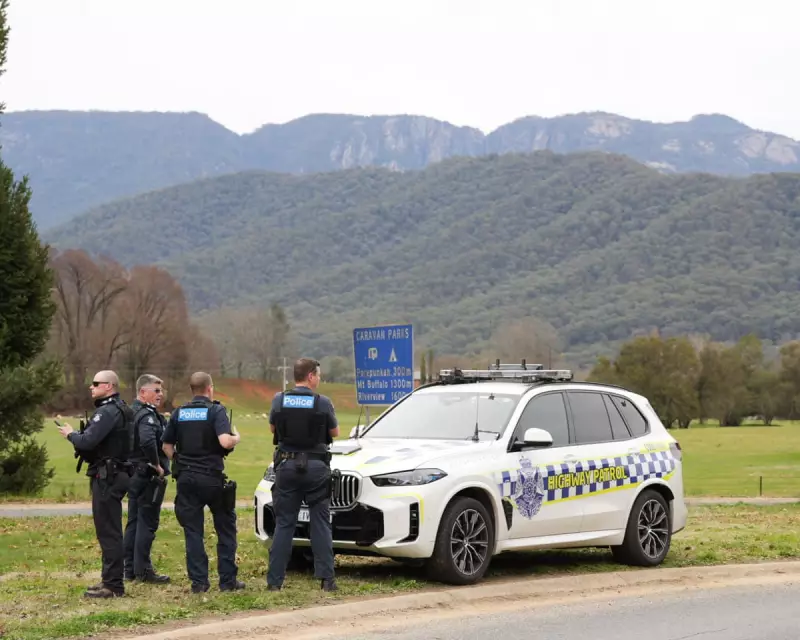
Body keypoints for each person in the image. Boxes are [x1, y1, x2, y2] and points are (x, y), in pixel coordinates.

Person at [162, 371, 244, 594]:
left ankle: (199, 583)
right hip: (211, 478)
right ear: (210, 389)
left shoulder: (179, 413)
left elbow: (166, 446)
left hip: (187, 479)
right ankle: (227, 581)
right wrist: (236, 437)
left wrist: (180, 460)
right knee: (225, 529)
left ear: (192, 389)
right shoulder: (216, 410)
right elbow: (224, 441)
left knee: (193, 531)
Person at [57, 370, 134, 598]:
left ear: (109, 386)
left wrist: (71, 435)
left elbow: (88, 441)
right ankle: (109, 579)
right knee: (110, 530)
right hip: (119, 473)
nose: (91, 387)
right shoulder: (124, 409)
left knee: (108, 531)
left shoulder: (107, 412)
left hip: (108, 476)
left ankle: (113, 586)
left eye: (95, 383)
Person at [266, 357, 339, 592]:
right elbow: (334, 432)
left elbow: (273, 429)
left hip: (287, 466)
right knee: (320, 522)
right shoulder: (323, 402)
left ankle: (274, 582)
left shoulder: (279, 399)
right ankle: (327, 580)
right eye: (317, 375)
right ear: (310, 376)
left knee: (284, 524)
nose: (319, 379)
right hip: (316, 468)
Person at [123, 374, 171, 584]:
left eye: (161, 391)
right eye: (156, 391)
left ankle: (129, 569)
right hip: (146, 474)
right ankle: (143, 570)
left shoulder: (129, 412)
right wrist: (157, 465)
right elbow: (148, 439)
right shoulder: (147, 415)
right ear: (143, 392)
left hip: (132, 473)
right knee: (147, 522)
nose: (161, 395)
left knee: (133, 521)